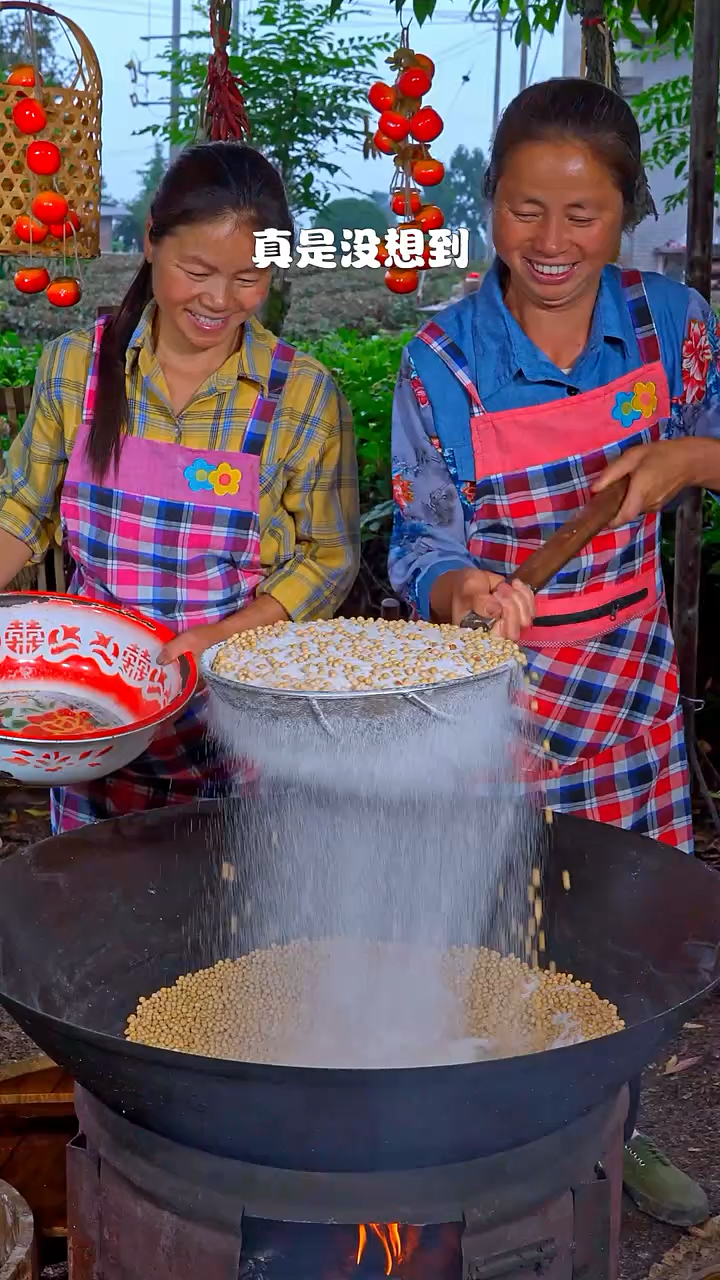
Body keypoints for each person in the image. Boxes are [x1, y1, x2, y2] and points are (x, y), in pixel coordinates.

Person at [388, 78, 720, 1227]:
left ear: (624, 212)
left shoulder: (672, 327)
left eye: (581, 215)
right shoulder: (446, 360)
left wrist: (688, 461)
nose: (550, 242)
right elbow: (417, 538)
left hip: (627, 692)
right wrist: (462, 583)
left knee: (622, 936)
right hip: (497, 699)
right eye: (525, 209)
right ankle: (493, 1152)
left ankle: (612, 1134)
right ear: (492, 207)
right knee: (497, 936)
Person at [0, 141, 359, 832]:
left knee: (226, 927)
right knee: (94, 915)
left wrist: (224, 635)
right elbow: (20, 508)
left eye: (250, 278)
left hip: (237, 734)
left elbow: (329, 556)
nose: (220, 300)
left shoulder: (300, 394)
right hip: (88, 722)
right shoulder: (79, 368)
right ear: (150, 245)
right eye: (196, 270)